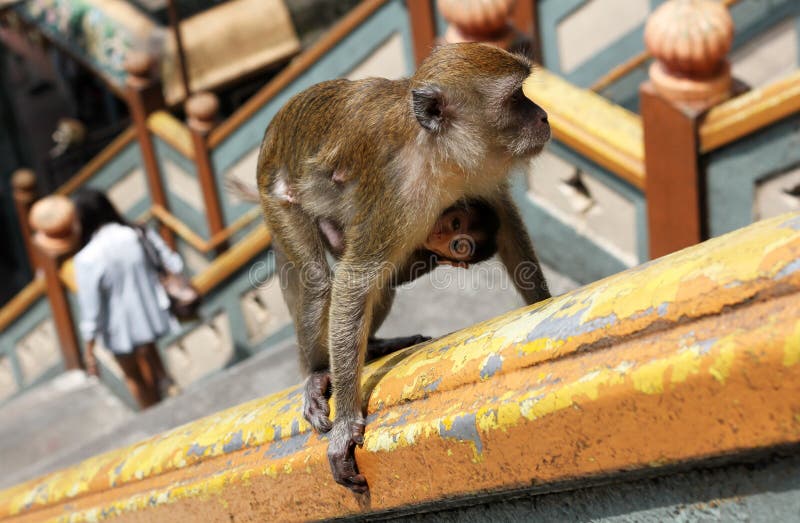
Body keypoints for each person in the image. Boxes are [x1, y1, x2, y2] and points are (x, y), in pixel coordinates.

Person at [73, 189, 180, 408]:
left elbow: (91, 309)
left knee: (134, 377)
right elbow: (174, 263)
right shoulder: (136, 232)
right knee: (152, 359)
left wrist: (89, 349)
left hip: (118, 329)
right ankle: (168, 387)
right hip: (150, 315)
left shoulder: (86, 257)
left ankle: (154, 419)